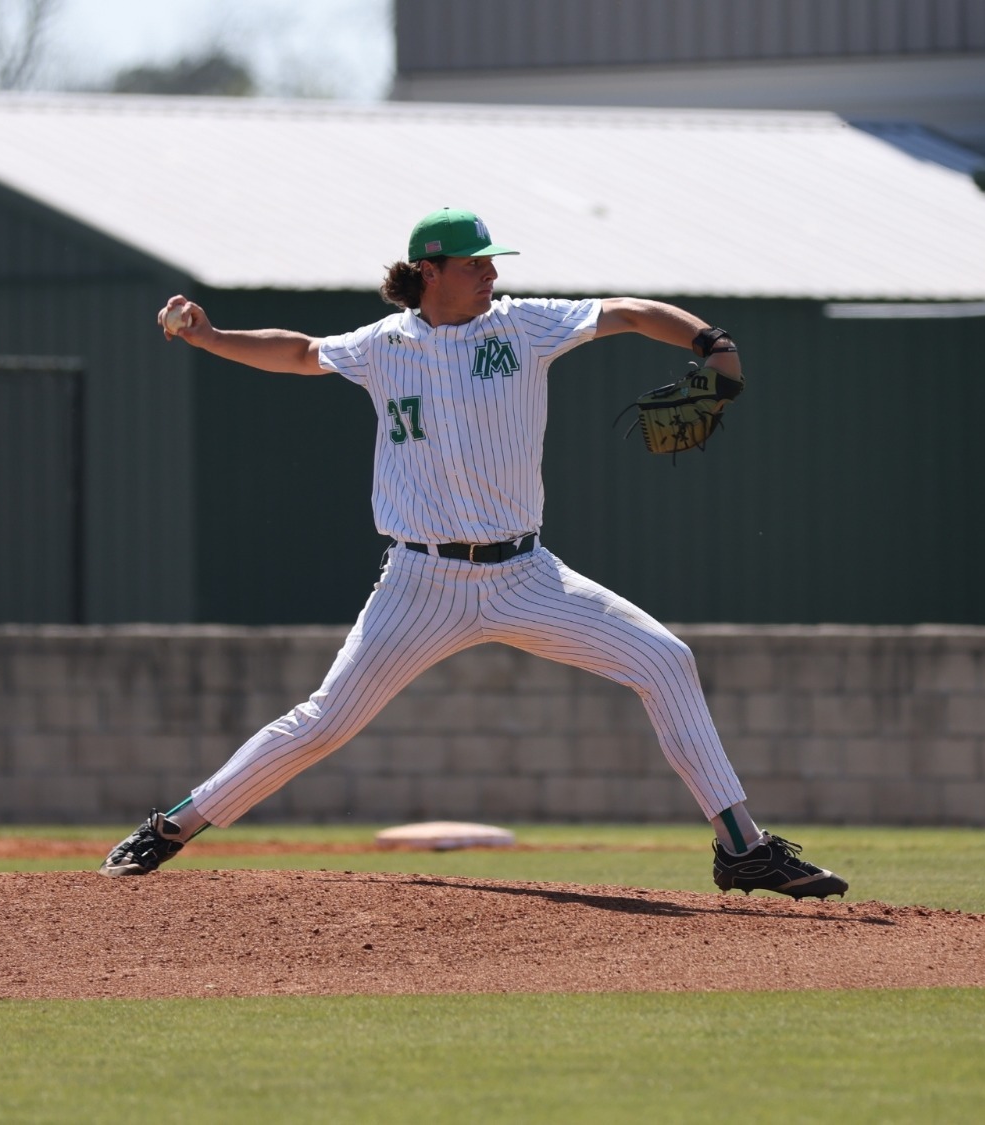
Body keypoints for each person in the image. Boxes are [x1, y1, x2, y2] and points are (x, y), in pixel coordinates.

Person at [99, 208, 848, 900]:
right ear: (429, 271)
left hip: (527, 574)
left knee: (665, 660)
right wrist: (206, 334)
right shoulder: (383, 344)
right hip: (420, 580)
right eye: (474, 262)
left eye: (493, 260)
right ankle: (172, 826)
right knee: (324, 720)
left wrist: (710, 342)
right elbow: (297, 353)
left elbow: (625, 311)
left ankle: (740, 845)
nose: (492, 272)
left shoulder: (524, 326)